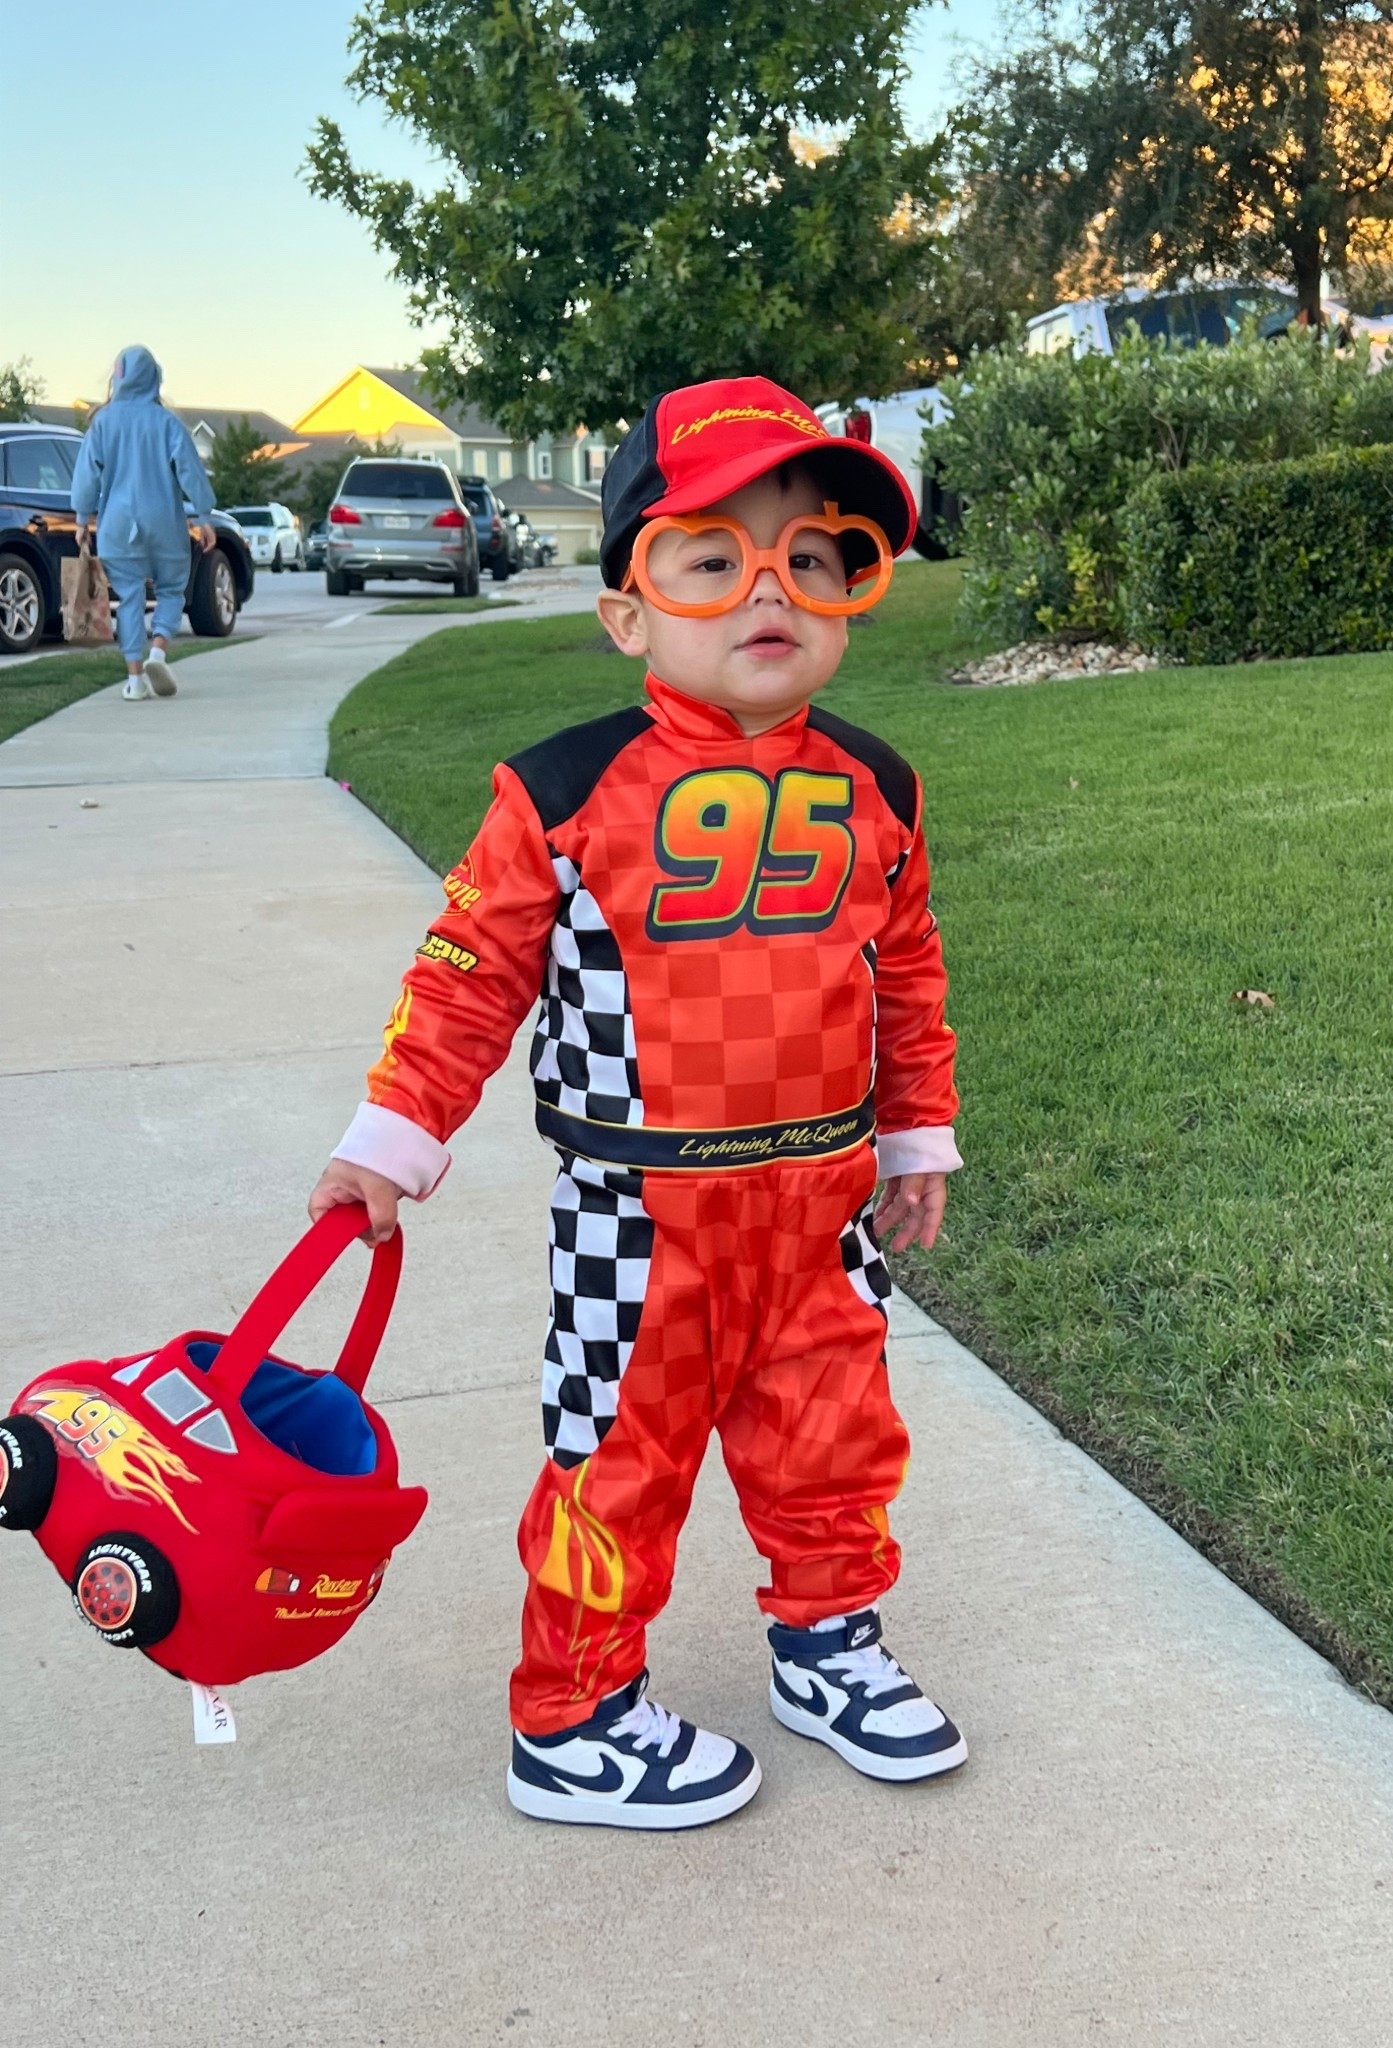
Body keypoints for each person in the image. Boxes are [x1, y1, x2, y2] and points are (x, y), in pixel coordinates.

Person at [309, 375, 966, 1830]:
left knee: (835, 1438)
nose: (768, 590)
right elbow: (470, 970)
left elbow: (905, 975)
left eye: (816, 556)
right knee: (617, 1457)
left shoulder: (880, 789)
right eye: (712, 557)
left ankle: (827, 1643)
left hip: (819, 1211)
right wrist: (391, 1142)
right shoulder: (562, 794)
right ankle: (575, 1714)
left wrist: (916, 1135)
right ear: (628, 610)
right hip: (640, 1223)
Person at [70, 346, 217, 701]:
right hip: (164, 519)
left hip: (118, 524)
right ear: (154, 378)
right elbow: (191, 472)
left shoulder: (102, 423)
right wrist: (205, 515)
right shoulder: (167, 423)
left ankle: (135, 681)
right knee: (171, 588)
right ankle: (159, 651)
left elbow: (86, 476)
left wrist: (80, 518)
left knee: (131, 597)